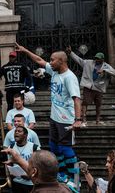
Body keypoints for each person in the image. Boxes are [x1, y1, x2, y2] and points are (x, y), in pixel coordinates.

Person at [15, 42, 81, 190]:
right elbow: (39, 60)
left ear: (62, 61)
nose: (50, 62)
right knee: (53, 147)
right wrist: (25, 50)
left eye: (52, 60)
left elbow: (77, 99)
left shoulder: (69, 77)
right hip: (55, 118)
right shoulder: (54, 71)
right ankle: (62, 174)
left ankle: (75, 178)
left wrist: (78, 120)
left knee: (66, 149)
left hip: (67, 120)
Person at [66, 47, 115, 125]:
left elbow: (114, 72)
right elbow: (79, 60)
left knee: (98, 104)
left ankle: (98, 120)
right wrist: (71, 53)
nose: (96, 60)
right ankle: (84, 119)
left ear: (102, 59)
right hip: (88, 86)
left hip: (99, 88)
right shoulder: (89, 63)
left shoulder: (106, 66)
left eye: (98, 59)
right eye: (96, 58)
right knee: (85, 103)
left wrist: (104, 70)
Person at [3, 149, 71, 193]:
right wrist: (19, 160)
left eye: (29, 164)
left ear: (34, 172)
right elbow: (36, 172)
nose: (28, 167)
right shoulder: (65, 189)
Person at [8, 126, 40, 193]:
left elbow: (39, 165)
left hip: (30, 183)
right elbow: (9, 163)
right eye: (15, 131)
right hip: (16, 182)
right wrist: (10, 173)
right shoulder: (11, 147)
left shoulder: (34, 147)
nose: (16, 133)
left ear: (25, 135)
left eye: (19, 131)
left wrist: (31, 176)